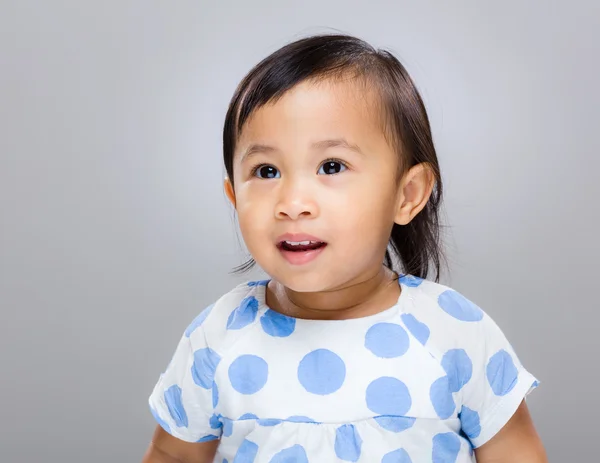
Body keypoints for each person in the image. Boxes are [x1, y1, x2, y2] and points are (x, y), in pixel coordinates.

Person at [141, 34, 547, 463]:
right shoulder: (219, 337)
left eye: (331, 166)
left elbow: (515, 451)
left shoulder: (455, 332)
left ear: (406, 194)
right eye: (266, 170)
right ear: (234, 195)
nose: (293, 204)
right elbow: (174, 455)